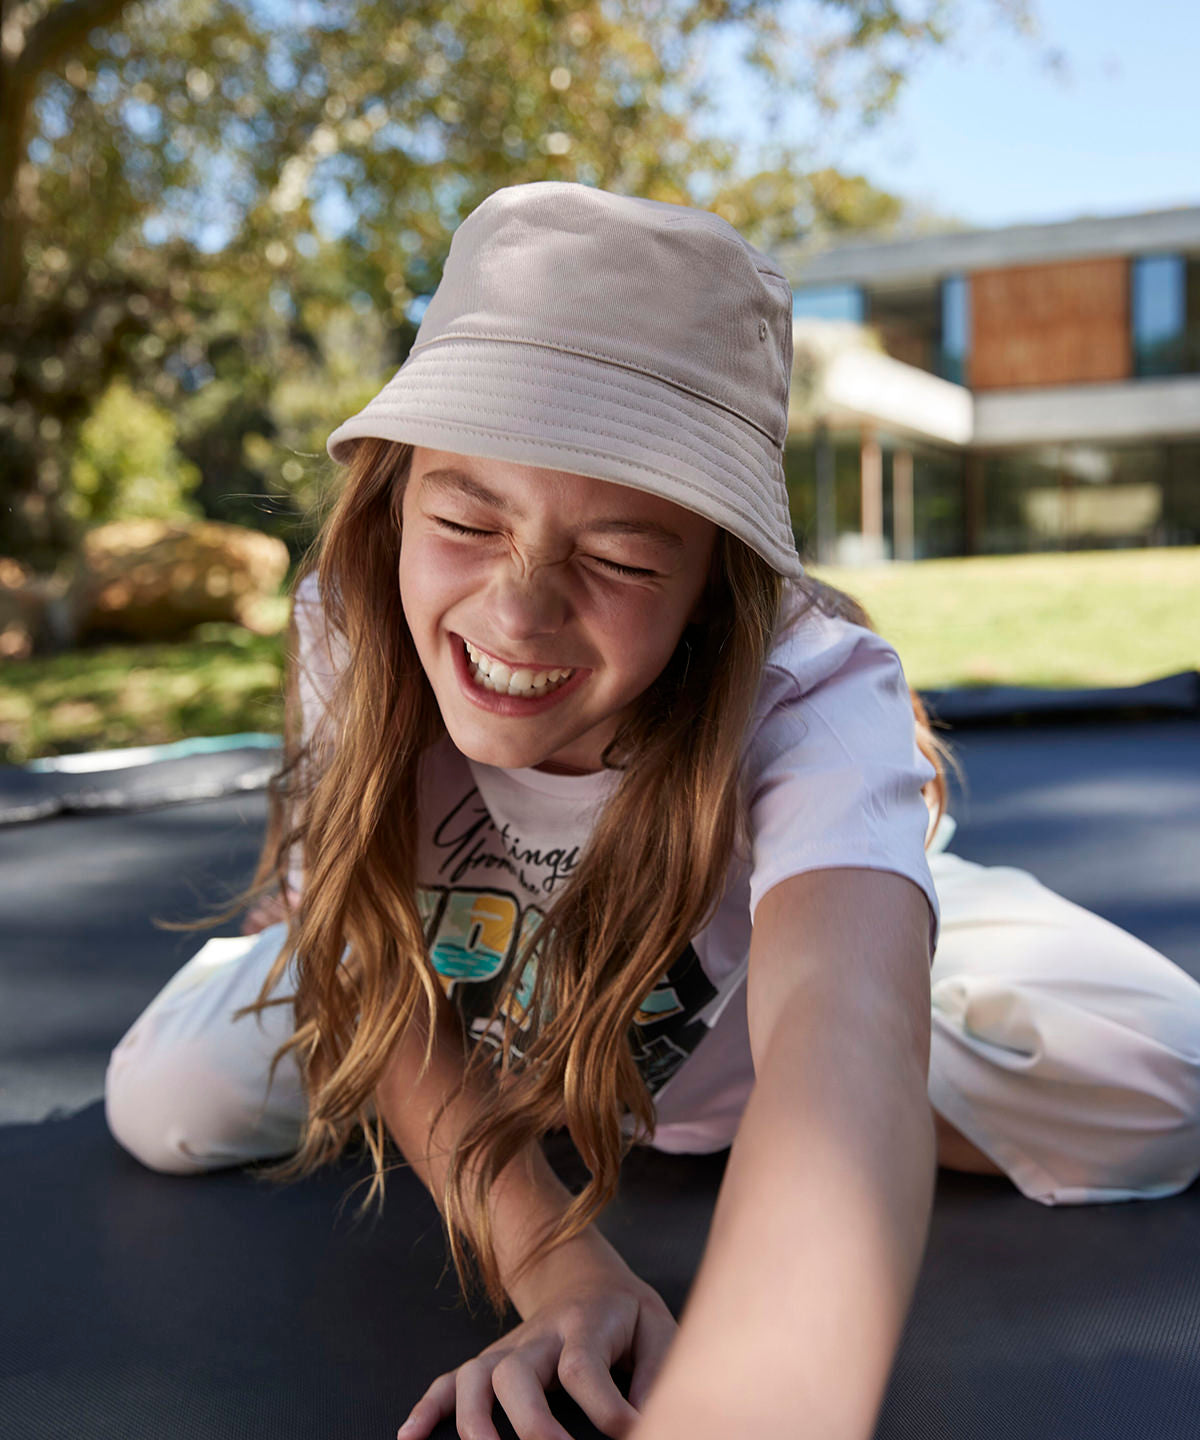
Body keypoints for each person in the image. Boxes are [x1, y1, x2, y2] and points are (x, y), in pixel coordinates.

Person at [104, 182, 1200, 1440]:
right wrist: (554, 1260)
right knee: (169, 1099)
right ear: (394, 500)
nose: (517, 616)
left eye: (622, 559)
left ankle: (893, 905)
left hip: (739, 1000)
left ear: (713, 589)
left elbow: (846, 1058)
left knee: (1163, 1084)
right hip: (479, 978)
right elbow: (390, 994)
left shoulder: (811, 694)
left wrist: (812, 1107)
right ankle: (436, 999)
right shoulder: (349, 625)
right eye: (465, 520)